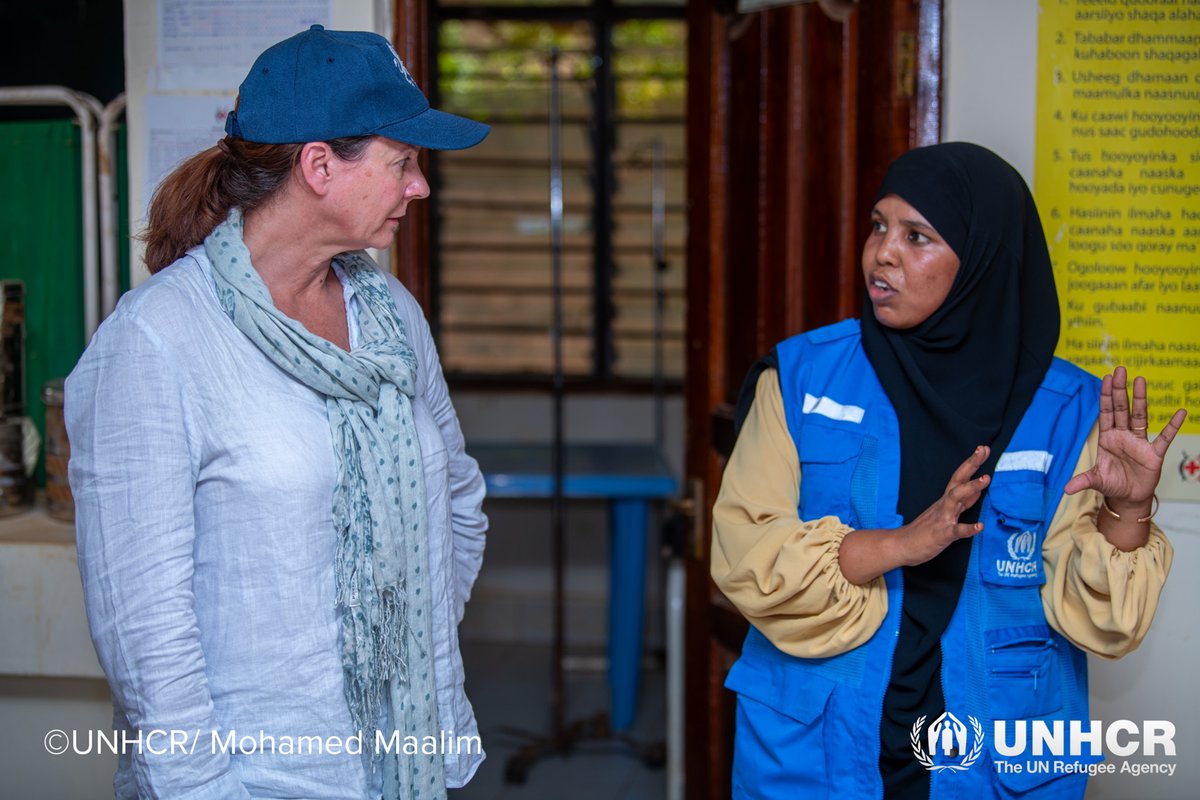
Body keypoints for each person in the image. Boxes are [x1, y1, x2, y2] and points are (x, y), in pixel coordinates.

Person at [67, 26, 490, 800]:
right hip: (255, 779)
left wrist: (402, 648)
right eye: (403, 162)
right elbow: (144, 629)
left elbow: (457, 497)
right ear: (320, 165)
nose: (419, 186)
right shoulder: (159, 341)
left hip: (403, 759)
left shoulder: (389, 310)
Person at [710, 142, 1187, 799]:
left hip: (992, 763)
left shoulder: (1072, 411)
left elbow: (1100, 624)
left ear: (984, 259)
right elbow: (744, 556)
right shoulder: (800, 380)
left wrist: (1127, 514)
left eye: (917, 236)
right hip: (816, 753)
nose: (883, 253)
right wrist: (899, 546)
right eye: (879, 226)